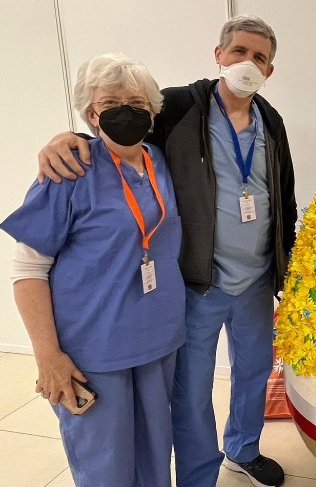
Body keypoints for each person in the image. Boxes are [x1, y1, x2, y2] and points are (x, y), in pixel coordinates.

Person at [37, 15, 297, 487]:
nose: (247, 63)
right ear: (219, 55)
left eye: (259, 57)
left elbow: (285, 196)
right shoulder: (178, 107)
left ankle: (243, 447)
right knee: (193, 390)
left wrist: (286, 269)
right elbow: (118, 135)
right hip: (199, 281)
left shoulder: (271, 120)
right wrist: (66, 137)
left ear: (270, 70)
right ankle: (199, 477)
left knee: (253, 372)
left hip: (257, 280)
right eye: (239, 51)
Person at [2, 53, 184, 486]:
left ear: (153, 111)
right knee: (106, 467)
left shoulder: (160, 162)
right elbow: (28, 269)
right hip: (93, 350)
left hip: (159, 341)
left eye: (137, 103)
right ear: (90, 113)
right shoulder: (67, 168)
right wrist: (47, 356)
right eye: (111, 102)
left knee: (155, 459)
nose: (127, 111)